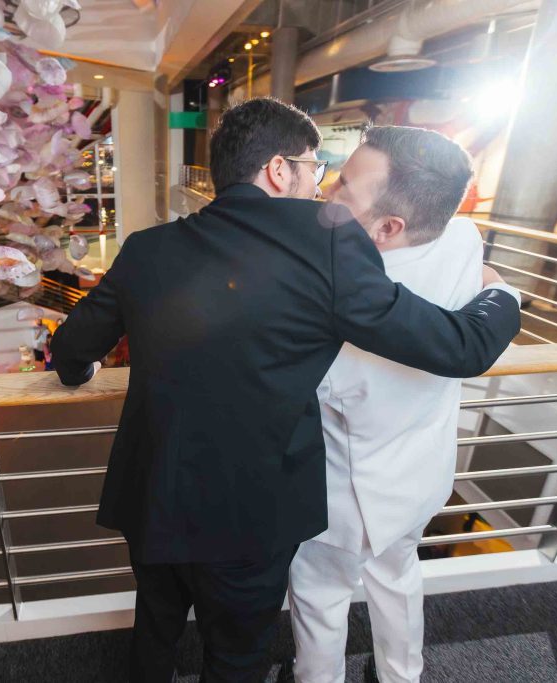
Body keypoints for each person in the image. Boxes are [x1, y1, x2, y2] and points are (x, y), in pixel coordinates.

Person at [50, 98, 520, 683]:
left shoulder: (148, 247)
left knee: (155, 629)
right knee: (238, 653)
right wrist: (502, 291)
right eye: (316, 168)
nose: (322, 188)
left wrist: (82, 375)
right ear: (279, 169)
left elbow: (71, 349)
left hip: (154, 492)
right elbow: (461, 348)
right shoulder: (327, 245)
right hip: (252, 511)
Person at [285, 126, 496, 683]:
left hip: (341, 495)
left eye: (343, 188)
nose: (324, 193)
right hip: (422, 477)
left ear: (387, 228)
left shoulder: (334, 302)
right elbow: (484, 283)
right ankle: (402, 675)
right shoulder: (463, 237)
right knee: (399, 578)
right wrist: (503, 288)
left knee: (318, 596)